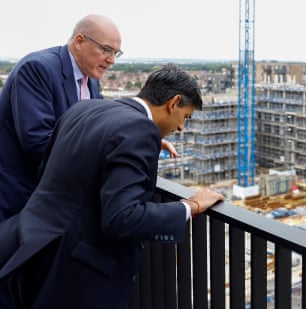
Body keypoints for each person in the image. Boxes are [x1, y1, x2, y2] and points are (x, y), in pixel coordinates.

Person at [0, 63, 225, 309]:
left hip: (33, 244)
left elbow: (51, 168)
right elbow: (122, 217)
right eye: (186, 117)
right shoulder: (139, 131)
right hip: (77, 274)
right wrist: (190, 206)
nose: (181, 127)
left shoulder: (87, 108)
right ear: (173, 103)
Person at [0, 14, 177, 308]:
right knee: (13, 282)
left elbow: (98, 127)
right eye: (106, 50)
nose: (111, 60)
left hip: (51, 206)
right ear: (79, 41)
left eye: (116, 53)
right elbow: (37, 140)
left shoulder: (90, 80)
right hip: (21, 195)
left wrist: (140, 139)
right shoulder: (38, 69)